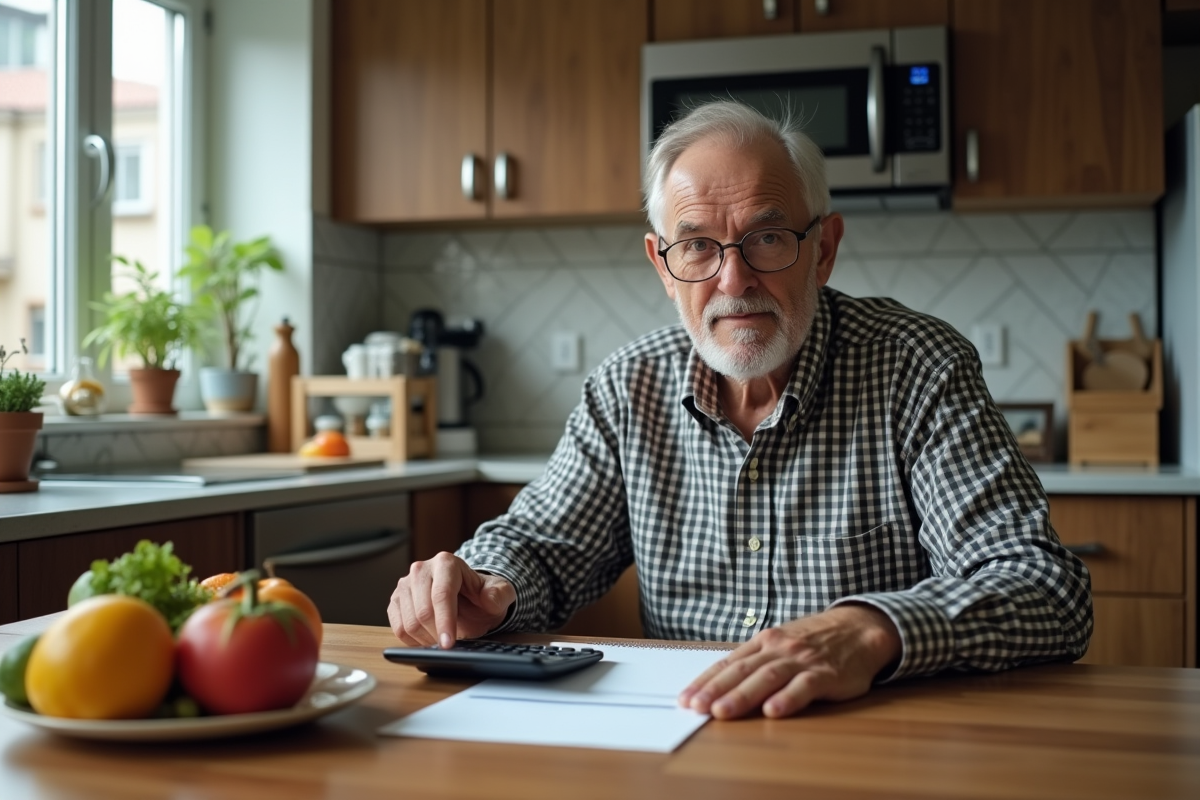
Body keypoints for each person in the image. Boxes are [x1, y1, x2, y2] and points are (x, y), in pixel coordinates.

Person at [388, 101, 1092, 720]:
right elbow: (543, 545)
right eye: (696, 245)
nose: (733, 280)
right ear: (664, 266)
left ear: (823, 250)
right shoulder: (627, 388)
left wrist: (874, 628)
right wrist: (484, 585)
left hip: (874, 740)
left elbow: (1043, 588)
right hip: (681, 735)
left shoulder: (918, 368)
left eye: (767, 238)